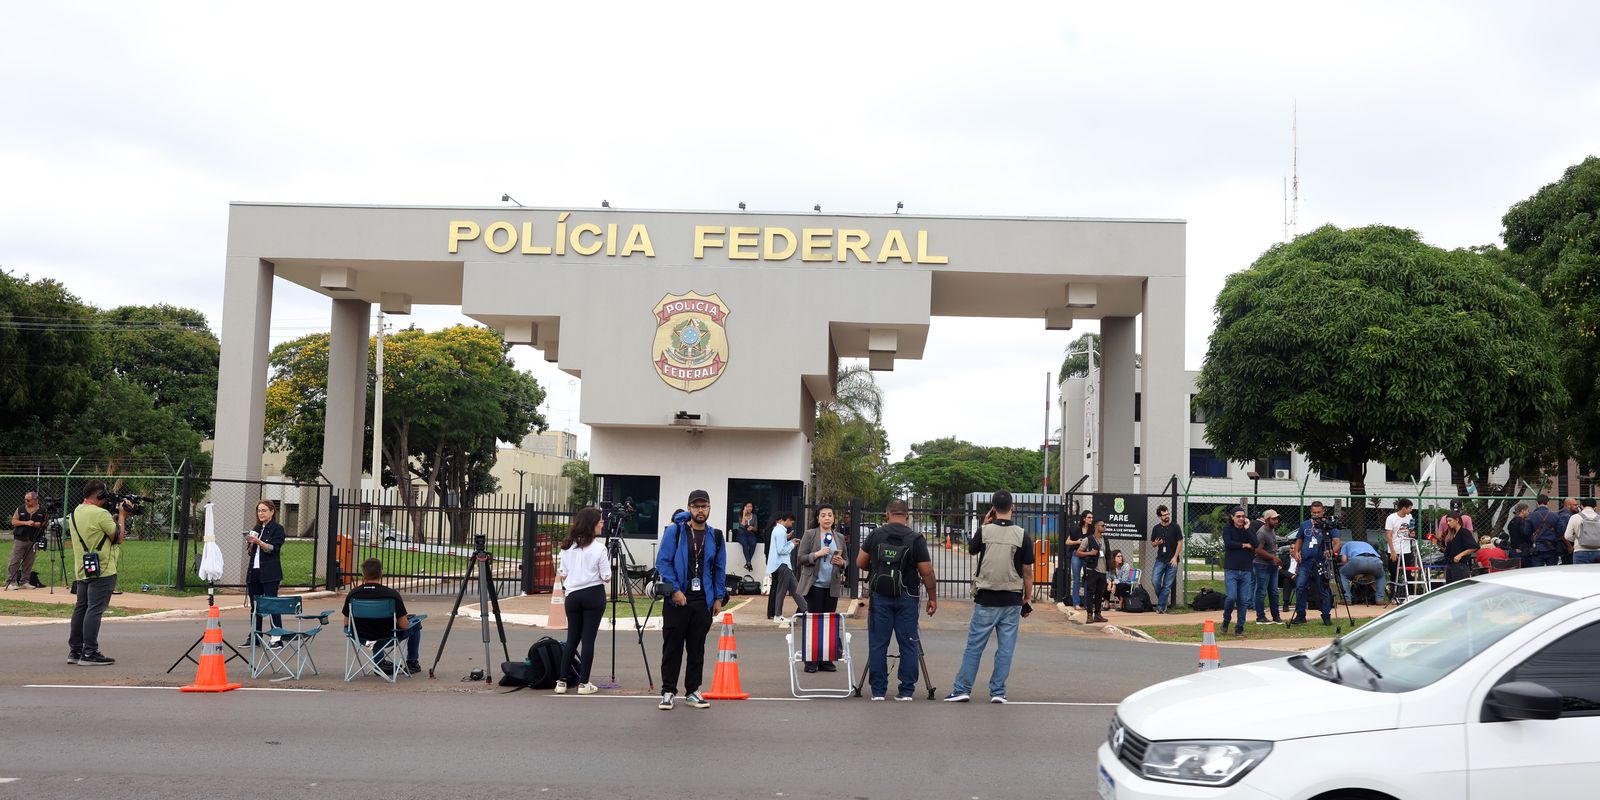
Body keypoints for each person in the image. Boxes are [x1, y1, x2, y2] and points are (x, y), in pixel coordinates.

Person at [945, 491, 1032, 704]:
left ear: (993, 508)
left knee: (974, 647)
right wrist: (1027, 598)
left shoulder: (984, 531)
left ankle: (962, 689)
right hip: (1012, 598)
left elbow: (972, 550)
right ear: (1012, 507)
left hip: (986, 598)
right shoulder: (1022, 535)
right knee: (1005, 649)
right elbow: (1027, 570)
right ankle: (998, 692)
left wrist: (984, 523)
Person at [857, 499, 936, 702]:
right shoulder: (915, 538)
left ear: (887, 515)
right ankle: (906, 691)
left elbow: (860, 562)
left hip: (880, 597)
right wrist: (932, 598)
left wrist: (876, 566)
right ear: (907, 516)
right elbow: (927, 572)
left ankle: (878, 691)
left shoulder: (875, 535)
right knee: (909, 644)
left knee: (878, 644)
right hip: (907, 597)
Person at [655, 489, 726, 710]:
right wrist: (675, 590)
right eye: (696, 506)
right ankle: (668, 692)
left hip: (702, 600)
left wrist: (718, 597)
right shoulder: (675, 531)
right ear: (689, 508)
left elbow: (719, 568)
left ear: (709, 508)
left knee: (697, 649)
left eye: (704, 506)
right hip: (677, 600)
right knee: (672, 648)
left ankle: (693, 691)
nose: (700, 510)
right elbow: (663, 562)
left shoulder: (716, 536)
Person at [66, 481, 127, 666]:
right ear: (99, 496)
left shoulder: (75, 512)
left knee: (81, 608)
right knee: (95, 609)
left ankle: (75, 651)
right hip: (103, 568)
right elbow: (118, 537)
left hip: (82, 568)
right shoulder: (101, 514)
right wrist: (122, 516)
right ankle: (90, 652)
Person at [555, 506, 610, 695]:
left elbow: (563, 573)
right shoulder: (599, 548)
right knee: (588, 640)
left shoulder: (567, 547)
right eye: (600, 521)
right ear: (592, 524)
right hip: (593, 594)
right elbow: (606, 576)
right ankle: (583, 683)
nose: (602, 524)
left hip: (572, 595)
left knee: (572, 638)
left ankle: (561, 681)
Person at [341, 558, 424, 675]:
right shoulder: (391, 594)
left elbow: (346, 623)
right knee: (416, 623)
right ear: (381, 573)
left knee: (373, 626)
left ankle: (379, 662)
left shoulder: (353, 594)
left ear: (363, 574)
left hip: (362, 638)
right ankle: (412, 663)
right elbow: (404, 625)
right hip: (388, 637)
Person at [795, 504, 850, 673]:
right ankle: (811, 661)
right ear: (818, 518)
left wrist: (842, 563)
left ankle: (826, 660)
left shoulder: (839, 537)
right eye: (823, 515)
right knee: (814, 623)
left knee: (829, 623)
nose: (827, 518)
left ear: (834, 518)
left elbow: (846, 560)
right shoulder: (810, 534)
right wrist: (817, 554)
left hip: (831, 586)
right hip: (814, 586)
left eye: (830, 515)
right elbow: (800, 558)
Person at [1290, 501, 1339, 625]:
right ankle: (1300, 615)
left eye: (1318, 512)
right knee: (1300, 587)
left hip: (1321, 562)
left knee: (1322, 589)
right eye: (1314, 512)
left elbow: (1337, 543)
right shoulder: (1305, 524)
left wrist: (1331, 551)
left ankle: (1326, 615)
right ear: (1311, 512)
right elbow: (1299, 540)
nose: (1316, 515)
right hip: (1305, 562)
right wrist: (1296, 552)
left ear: (1323, 512)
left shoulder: (1328, 525)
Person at [246, 499, 287, 646]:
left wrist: (259, 542)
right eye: (258, 511)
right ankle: (255, 636)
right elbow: (251, 552)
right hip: (254, 572)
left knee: (271, 604)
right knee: (255, 605)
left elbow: (274, 549)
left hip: (270, 573)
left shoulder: (278, 529)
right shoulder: (257, 528)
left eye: (264, 510)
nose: (261, 513)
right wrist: (251, 544)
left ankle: (276, 638)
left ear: (272, 511)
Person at [765, 510, 807, 623]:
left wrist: (790, 542)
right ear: (787, 520)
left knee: (795, 588)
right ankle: (778, 615)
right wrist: (792, 544)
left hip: (782, 565)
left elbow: (781, 547)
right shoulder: (780, 532)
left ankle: (805, 609)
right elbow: (781, 550)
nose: (791, 525)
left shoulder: (777, 530)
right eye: (791, 522)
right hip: (782, 565)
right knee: (782, 591)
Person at [1220, 507, 1256, 637]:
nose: (1241, 519)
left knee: (1243, 600)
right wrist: (1244, 545)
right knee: (1231, 597)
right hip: (1231, 568)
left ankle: (1239, 627)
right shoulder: (1228, 529)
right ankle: (1226, 620)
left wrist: (1247, 529)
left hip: (1246, 569)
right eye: (1238, 516)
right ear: (1232, 517)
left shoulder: (1248, 530)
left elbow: (1256, 544)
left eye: (1243, 516)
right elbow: (1229, 543)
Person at [6, 491, 46, 591]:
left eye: (28, 500)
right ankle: (10, 582)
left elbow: (46, 523)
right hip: (20, 539)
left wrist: (38, 524)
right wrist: (26, 523)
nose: (26, 501)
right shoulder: (20, 509)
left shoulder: (42, 510)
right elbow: (14, 521)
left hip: (34, 539)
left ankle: (25, 582)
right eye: (25, 499)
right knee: (14, 560)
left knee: (29, 562)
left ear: (35, 500)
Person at [1147, 505, 1182, 613]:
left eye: (1167, 514)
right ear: (1159, 516)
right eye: (1164, 515)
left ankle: (1161, 607)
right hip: (1160, 559)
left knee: (1167, 585)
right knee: (1155, 581)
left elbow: (1180, 542)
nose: (1167, 516)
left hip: (1172, 560)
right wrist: (1156, 543)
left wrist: (1175, 557)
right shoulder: (1156, 528)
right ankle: (1163, 600)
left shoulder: (1175, 527)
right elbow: (1153, 543)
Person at [1251, 510, 1284, 624]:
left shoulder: (1271, 530)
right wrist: (1273, 558)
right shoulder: (1262, 533)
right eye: (1273, 519)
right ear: (1267, 519)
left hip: (1272, 566)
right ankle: (1260, 617)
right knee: (1261, 592)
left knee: (1274, 592)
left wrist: (1274, 559)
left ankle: (1276, 616)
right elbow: (1258, 550)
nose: (1276, 521)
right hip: (1262, 565)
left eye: (1277, 518)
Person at [1338, 537, 1387, 604]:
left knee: (1342, 573)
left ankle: (1347, 599)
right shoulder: (1367, 544)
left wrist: (1352, 571)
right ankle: (1379, 599)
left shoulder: (1346, 544)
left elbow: (1344, 560)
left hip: (1357, 560)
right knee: (1380, 576)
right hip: (1375, 561)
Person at [1077, 520, 1108, 623]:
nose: (1104, 527)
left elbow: (1107, 554)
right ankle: (1089, 614)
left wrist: (1110, 567)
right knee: (1090, 592)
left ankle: (1098, 614)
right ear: (1096, 526)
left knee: (1100, 593)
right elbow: (1078, 552)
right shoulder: (1088, 539)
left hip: (1103, 571)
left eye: (1105, 525)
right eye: (1102, 525)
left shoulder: (1105, 540)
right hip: (1092, 570)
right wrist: (1089, 553)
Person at [1385, 499, 1418, 586]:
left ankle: (1409, 592)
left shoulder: (1409, 516)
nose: (1411, 510)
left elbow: (1410, 530)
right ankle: (1394, 592)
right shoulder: (1391, 518)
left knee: (1408, 573)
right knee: (1394, 573)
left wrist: (1412, 533)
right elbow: (1389, 535)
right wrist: (1392, 551)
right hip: (1395, 549)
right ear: (1403, 508)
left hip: (1406, 550)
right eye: (1409, 508)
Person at [1439, 513, 1477, 583]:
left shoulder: (1464, 532)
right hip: (1450, 565)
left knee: (1459, 587)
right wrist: (1438, 544)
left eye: (1450, 520)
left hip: (1460, 566)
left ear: (1457, 520)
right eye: (1447, 521)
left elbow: (1474, 547)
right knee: (1450, 587)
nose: (1448, 523)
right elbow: (1449, 551)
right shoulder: (1451, 533)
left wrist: (1460, 555)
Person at [1527, 494, 1563, 568]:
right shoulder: (1555, 515)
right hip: (1552, 547)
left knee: (1537, 571)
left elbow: (1526, 531)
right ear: (1548, 502)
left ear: (1537, 503)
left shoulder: (1531, 516)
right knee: (1552, 570)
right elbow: (1561, 530)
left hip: (1537, 548)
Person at [1065, 510, 1092, 608]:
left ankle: (1087, 603)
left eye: (1092, 517)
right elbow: (1067, 542)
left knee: (1087, 578)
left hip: (1087, 555)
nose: (1091, 519)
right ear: (1084, 518)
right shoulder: (1076, 529)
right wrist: (1077, 542)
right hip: (1076, 554)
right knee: (1077, 578)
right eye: (1089, 517)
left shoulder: (1092, 529)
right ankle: (1076, 602)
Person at [1564, 498, 1600, 565]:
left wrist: (1577, 538)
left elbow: (1567, 536)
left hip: (1580, 551)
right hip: (1598, 551)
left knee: (1580, 571)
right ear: (1595, 507)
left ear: (1582, 506)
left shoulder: (1574, 517)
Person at [732, 501, 760, 573]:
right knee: (745, 544)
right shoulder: (741, 515)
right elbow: (742, 525)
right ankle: (748, 562)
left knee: (753, 543)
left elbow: (756, 529)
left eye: (751, 507)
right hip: (741, 534)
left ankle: (748, 563)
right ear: (745, 507)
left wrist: (752, 528)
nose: (749, 508)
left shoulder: (754, 516)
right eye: (748, 506)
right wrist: (744, 513)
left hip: (750, 534)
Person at [1557, 497, 1581, 565]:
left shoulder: (1567, 514)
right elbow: (1562, 533)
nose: (1577, 506)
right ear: (1568, 505)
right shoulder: (1565, 516)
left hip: (1566, 546)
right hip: (1566, 548)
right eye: (1575, 505)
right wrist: (1569, 546)